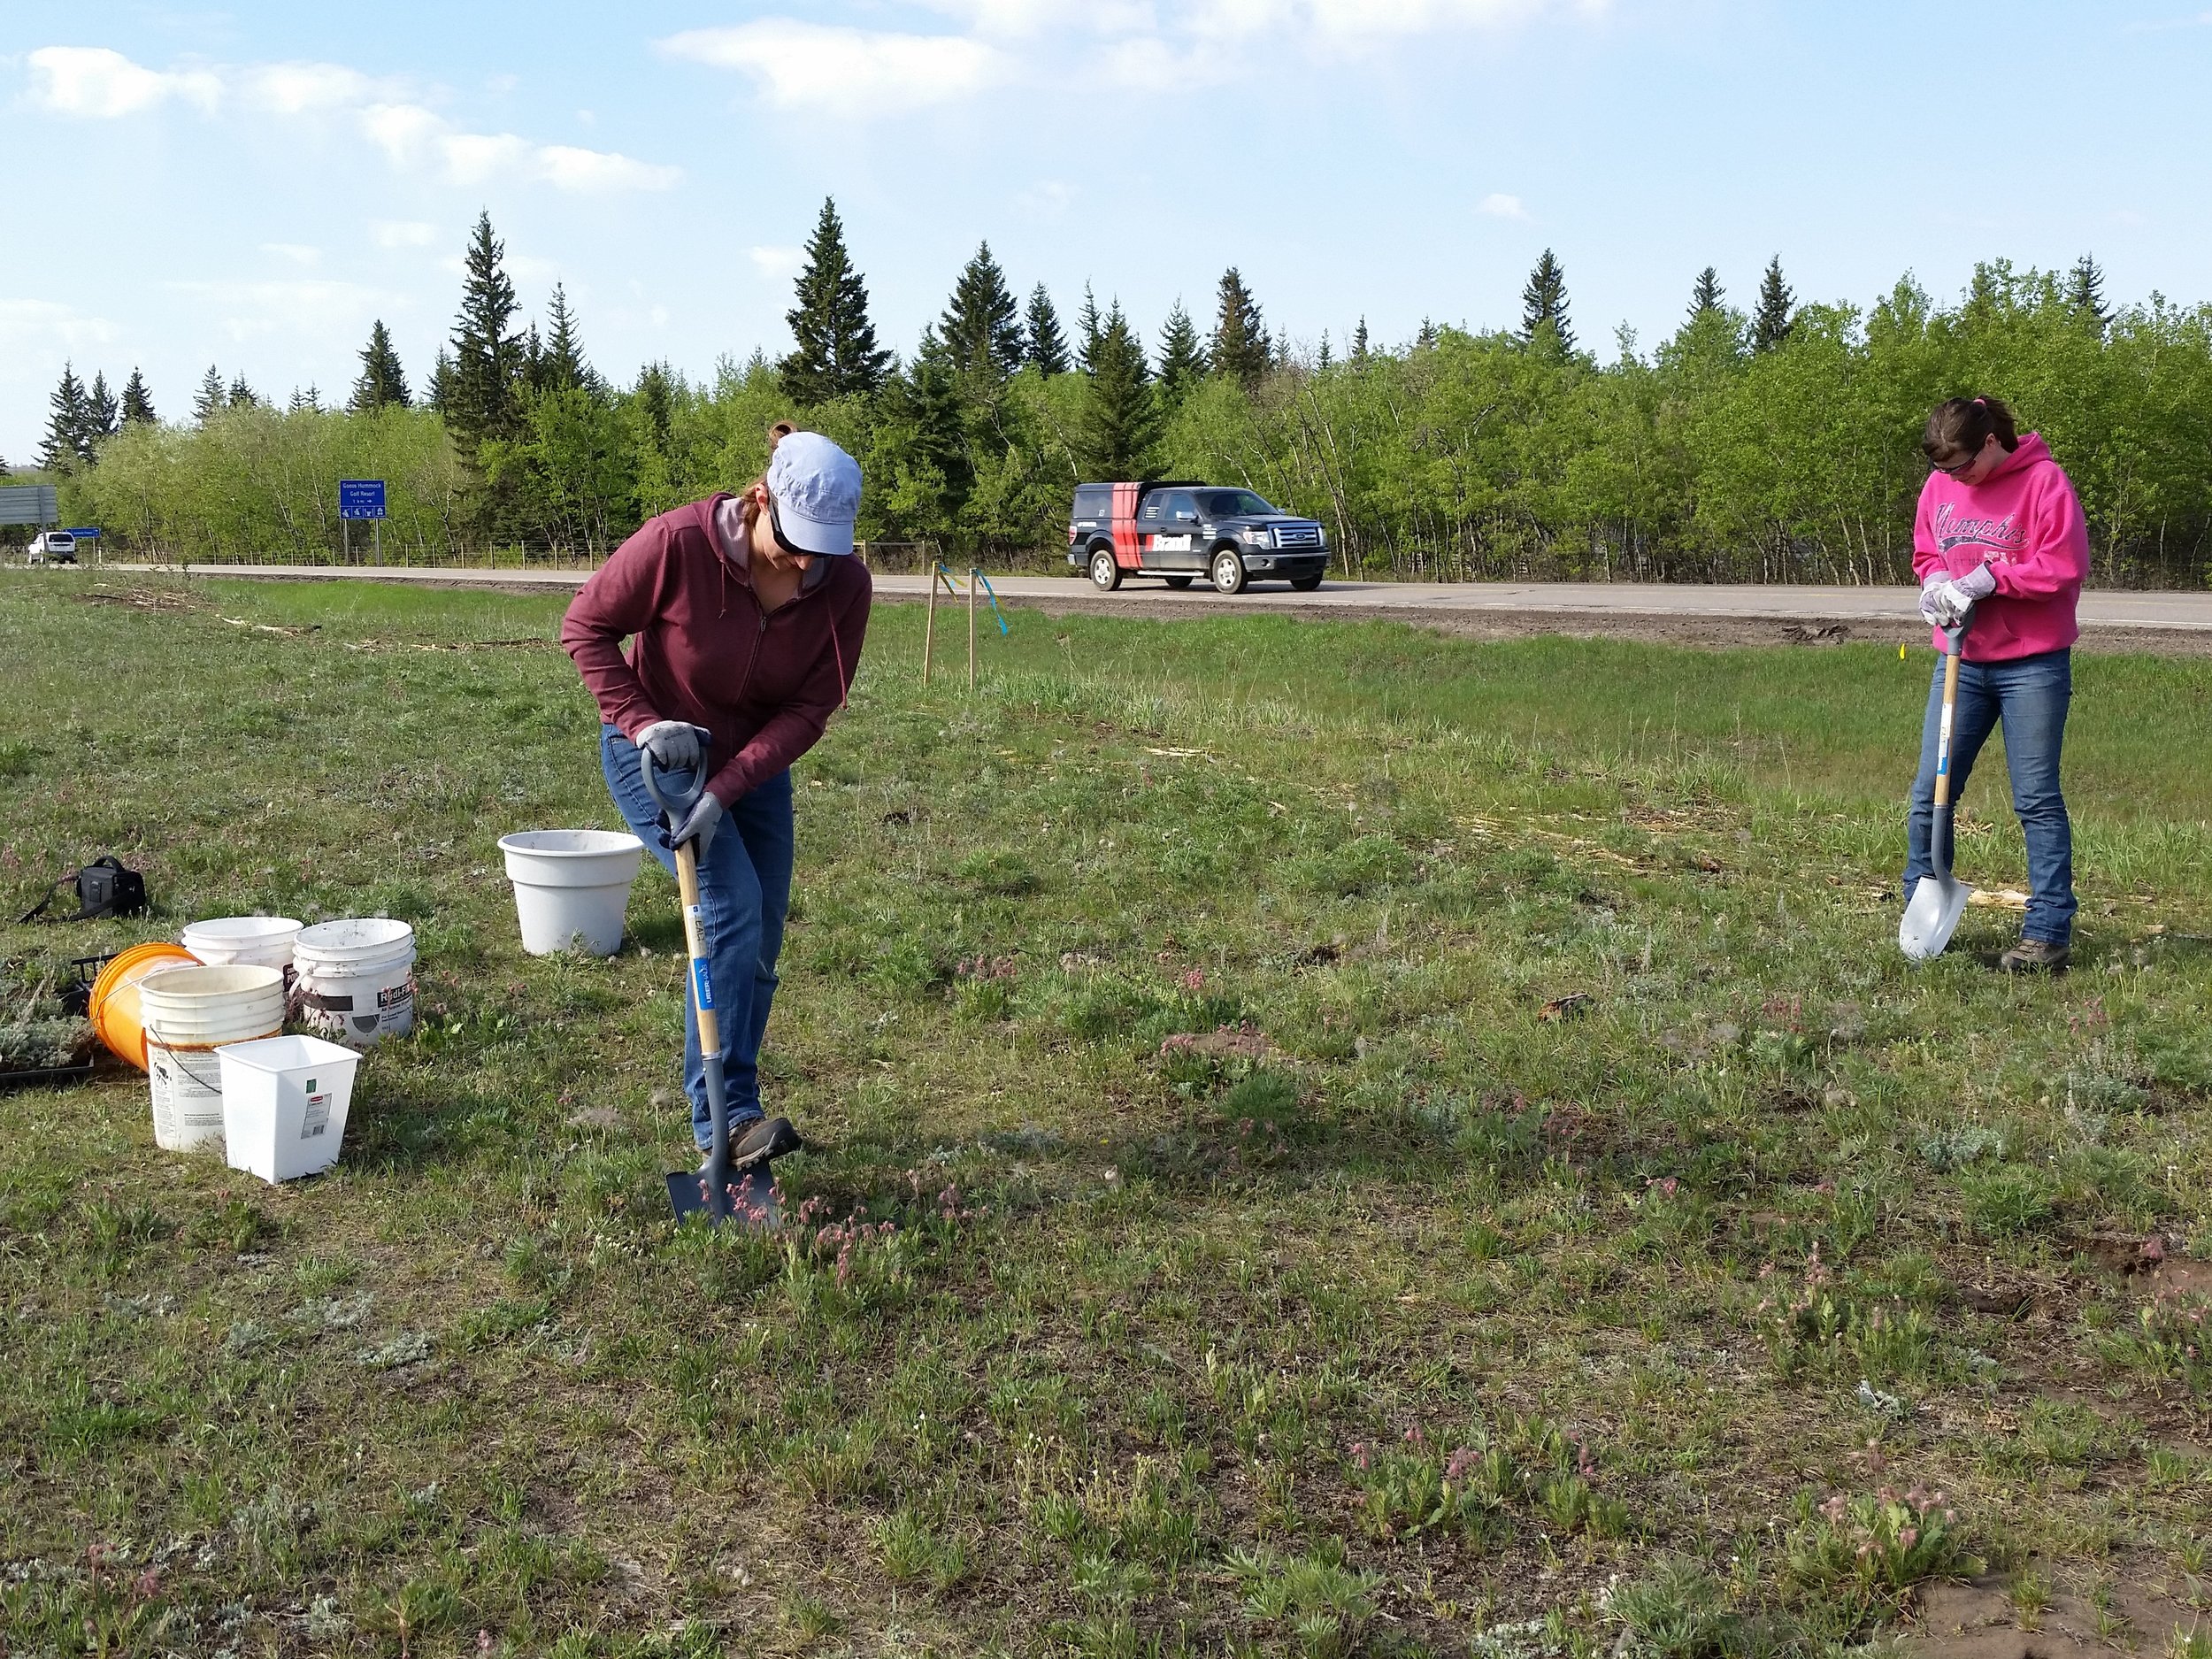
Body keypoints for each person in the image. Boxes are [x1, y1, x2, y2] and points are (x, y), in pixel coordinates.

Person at [561, 429, 872, 1168]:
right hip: (657, 755)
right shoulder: (677, 545)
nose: (804, 566)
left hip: (753, 765)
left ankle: (737, 1104)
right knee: (728, 905)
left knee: (760, 934)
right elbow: (586, 626)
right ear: (760, 500)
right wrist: (642, 724)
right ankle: (724, 1120)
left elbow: (810, 709)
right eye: (793, 544)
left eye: (822, 552)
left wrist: (730, 785)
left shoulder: (845, 588)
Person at [1908, 396, 2088, 972]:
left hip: (2031, 664)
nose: (1954, 478)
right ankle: (1923, 901)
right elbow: (1927, 550)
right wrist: (1937, 581)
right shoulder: (1940, 486)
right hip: (1961, 659)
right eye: (1943, 469)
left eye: (1962, 466)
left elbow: (2062, 566)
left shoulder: (2043, 482)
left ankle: (2047, 932)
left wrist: (1989, 578)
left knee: (2036, 799)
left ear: (1990, 443)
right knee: (1930, 793)